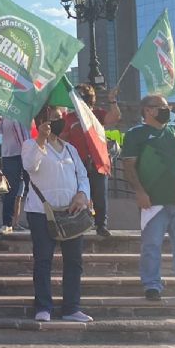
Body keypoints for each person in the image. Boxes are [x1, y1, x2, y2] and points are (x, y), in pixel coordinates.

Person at [122, 95, 175, 302]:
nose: (167, 110)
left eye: (167, 106)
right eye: (163, 107)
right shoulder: (136, 134)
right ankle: (152, 286)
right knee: (151, 245)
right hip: (153, 200)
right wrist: (140, 192)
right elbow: (128, 167)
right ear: (148, 110)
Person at [22, 105, 92, 322]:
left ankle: (71, 307)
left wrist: (81, 194)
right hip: (42, 213)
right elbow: (30, 165)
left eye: (60, 117)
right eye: (54, 118)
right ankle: (43, 306)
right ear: (42, 120)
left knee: (74, 260)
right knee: (43, 259)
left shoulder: (70, 148)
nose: (58, 121)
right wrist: (41, 140)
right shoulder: (30, 145)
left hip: (71, 212)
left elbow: (82, 175)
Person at [61, 83, 121, 238]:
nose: (81, 99)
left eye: (84, 96)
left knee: (99, 195)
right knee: (79, 195)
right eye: (78, 96)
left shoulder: (97, 114)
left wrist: (112, 101)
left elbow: (114, 117)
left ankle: (101, 225)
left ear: (90, 99)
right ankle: (79, 224)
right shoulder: (70, 118)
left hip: (97, 162)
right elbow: (63, 138)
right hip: (77, 164)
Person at [0, 117, 30, 234]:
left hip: (28, 152)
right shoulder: (3, 112)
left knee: (34, 187)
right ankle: (7, 224)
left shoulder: (28, 108)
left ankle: (40, 221)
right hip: (10, 155)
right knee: (10, 190)